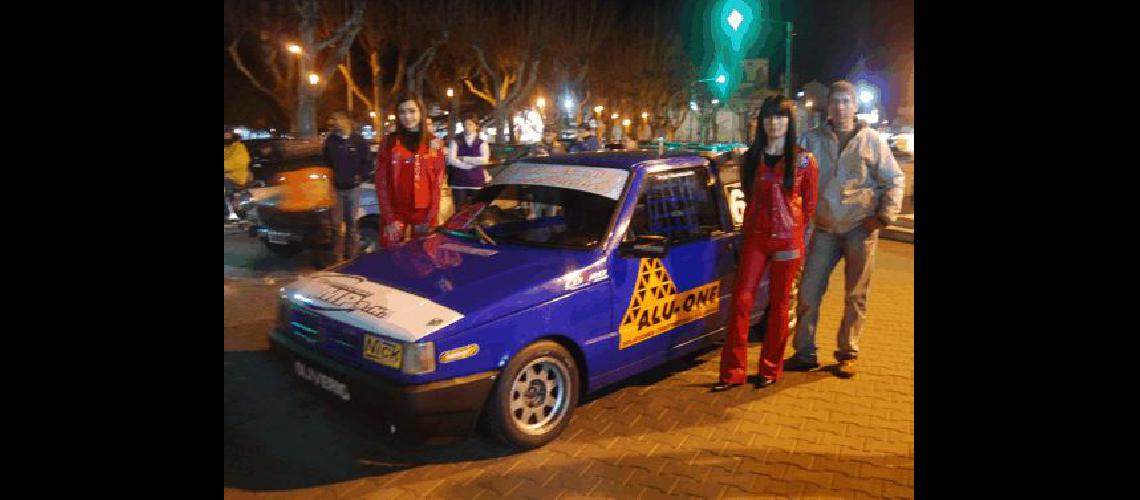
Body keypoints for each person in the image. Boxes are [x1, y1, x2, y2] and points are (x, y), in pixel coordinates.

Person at [785, 80, 905, 379]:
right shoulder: (811, 140)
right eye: (835, 101)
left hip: (859, 230)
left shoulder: (872, 141)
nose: (840, 107)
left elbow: (895, 179)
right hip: (823, 229)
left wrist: (884, 216)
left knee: (855, 296)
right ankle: (805, 352)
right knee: (808, 294)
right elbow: (792, 174)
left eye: (845, 102)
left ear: (855, 106)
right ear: (828, 106)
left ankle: (847, 353)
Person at [714, 95, 818, 392]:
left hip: (788, 241)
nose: (774, 123)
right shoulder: (752, 157)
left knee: (779, 305)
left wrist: (793, 230)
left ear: (790, 121)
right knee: (741, 301)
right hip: (757, 239)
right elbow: (749, 194)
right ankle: (732, 372)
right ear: (762, 122)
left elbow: (809, 205)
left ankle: (771, 369)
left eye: (781, 117)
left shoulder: (803, 159)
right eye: (769, 117)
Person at [375, 94, 445, 248]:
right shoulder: (388, 143)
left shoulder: (434, 143)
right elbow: (381, 183)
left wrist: (429, 219)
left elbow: (437, 184)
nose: (407, 116)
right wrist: (389, 219)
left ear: (421, 112)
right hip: (395, 211)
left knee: (424, 259)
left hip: (424, 212)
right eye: (402, 112)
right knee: (391, 256)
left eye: (412, 111)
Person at [323, 111, 373, 260]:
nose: (332, 122)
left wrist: (360, 176)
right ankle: (337, 256)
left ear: (345, 121)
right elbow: (326, 160)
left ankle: (351, 255)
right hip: (336, 188)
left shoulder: (359, 141)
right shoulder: (331, 140)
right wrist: (332, 176)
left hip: (353, 188)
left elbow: (368, 162)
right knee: (336, 225)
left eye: (335, 119)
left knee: (352, 223)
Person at [447, 116, 490, 208]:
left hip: (476, 181)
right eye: (465, 125)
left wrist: (463, 158)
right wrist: (470, 165)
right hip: (459, 181)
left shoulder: (482, 143)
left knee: (476, 209)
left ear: (476, 126)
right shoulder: (455, 141)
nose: (467, 127)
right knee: (459, 209)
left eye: (470, 124)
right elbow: (451, 160)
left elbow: (484, 160)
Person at [224, 128, 251, 222]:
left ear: (231, 135)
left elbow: (240, 161)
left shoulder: (239, 147)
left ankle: (235, 210)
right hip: (227, 175)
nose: (226, 136)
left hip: (236, 176)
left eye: (227, 134)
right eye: (225, 134)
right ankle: (235, 210)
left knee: (230, 191)